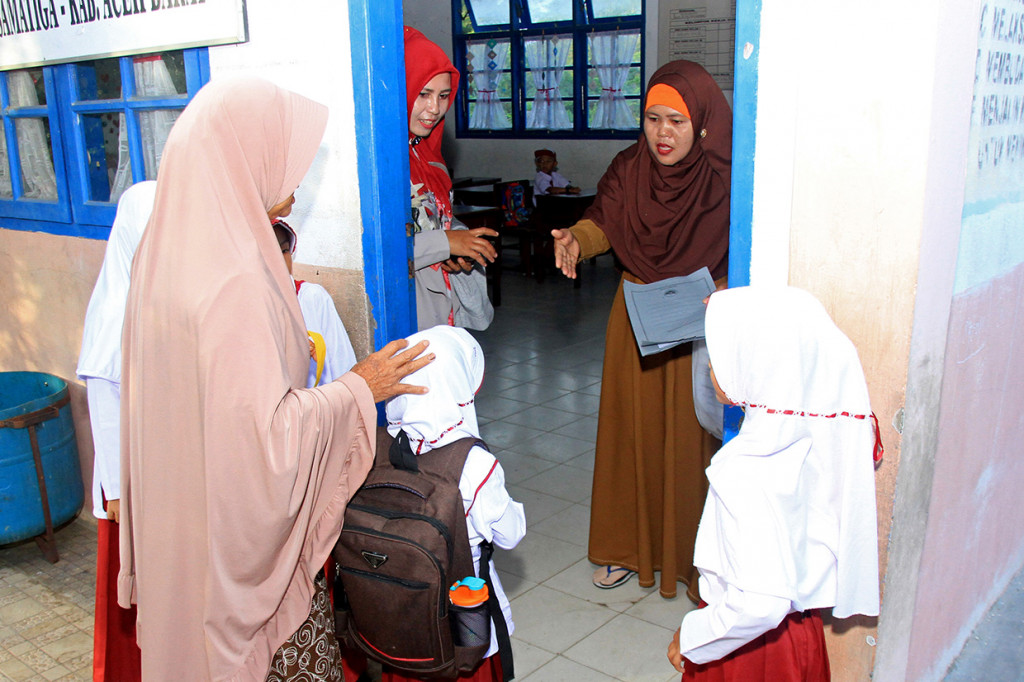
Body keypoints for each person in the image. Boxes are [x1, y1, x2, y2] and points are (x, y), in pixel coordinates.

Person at [116, 77, 435, 681]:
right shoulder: (235, 280)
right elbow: (266, 446)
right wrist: (358, 388)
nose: (297, 178)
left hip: (182, 540)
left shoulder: (162, 254)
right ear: (243, 155)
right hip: (242, 578)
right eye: (287, 158)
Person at [551, 60, 732, 599]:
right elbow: (603, 220)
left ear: (700, 123)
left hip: (700, 319)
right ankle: (625, 548)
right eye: (653, 119)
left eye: (676, 120)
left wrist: (727, 293)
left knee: (694, 440)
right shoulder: (630, 168)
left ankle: (697, 562)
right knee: (630, 433)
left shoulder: (726, 178)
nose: (662, 134)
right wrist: (577, 242)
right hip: (636, 320)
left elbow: (749, 247)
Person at [667, 286, 881, 680]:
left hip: (747, 653)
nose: (712, 369)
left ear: (756, 365)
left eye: (719, 358)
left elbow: (759, 605)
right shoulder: (818, 440)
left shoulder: (750, 468)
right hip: (801, 635)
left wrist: (693, 635)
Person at [383, 325, 526, 682]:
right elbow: (510, 536)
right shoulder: (473, 464)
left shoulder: (376, 447)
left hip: (392, 612)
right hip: (460, 624)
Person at [77, 180, 156, 682]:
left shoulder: (153, 301)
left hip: (158, 485)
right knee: (136, 606)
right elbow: (108, 417)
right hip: (129, 499)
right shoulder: (114, 317)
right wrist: (119, 501)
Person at [405, 26, 498, 330]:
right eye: (423, 93)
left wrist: (461, 244)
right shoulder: (384, 169)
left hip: (444, 307)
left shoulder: (429, 158)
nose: (435, 108)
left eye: (444, 96)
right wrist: (445, 242)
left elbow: (436, 218)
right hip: (411, 313)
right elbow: (383, 251)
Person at [273, 219, 357, 386]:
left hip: (320, 405)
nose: (281, 260)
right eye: (270, 252)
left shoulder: (311, 297)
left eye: (284, 251)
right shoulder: (247, 309)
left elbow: (342, 362)